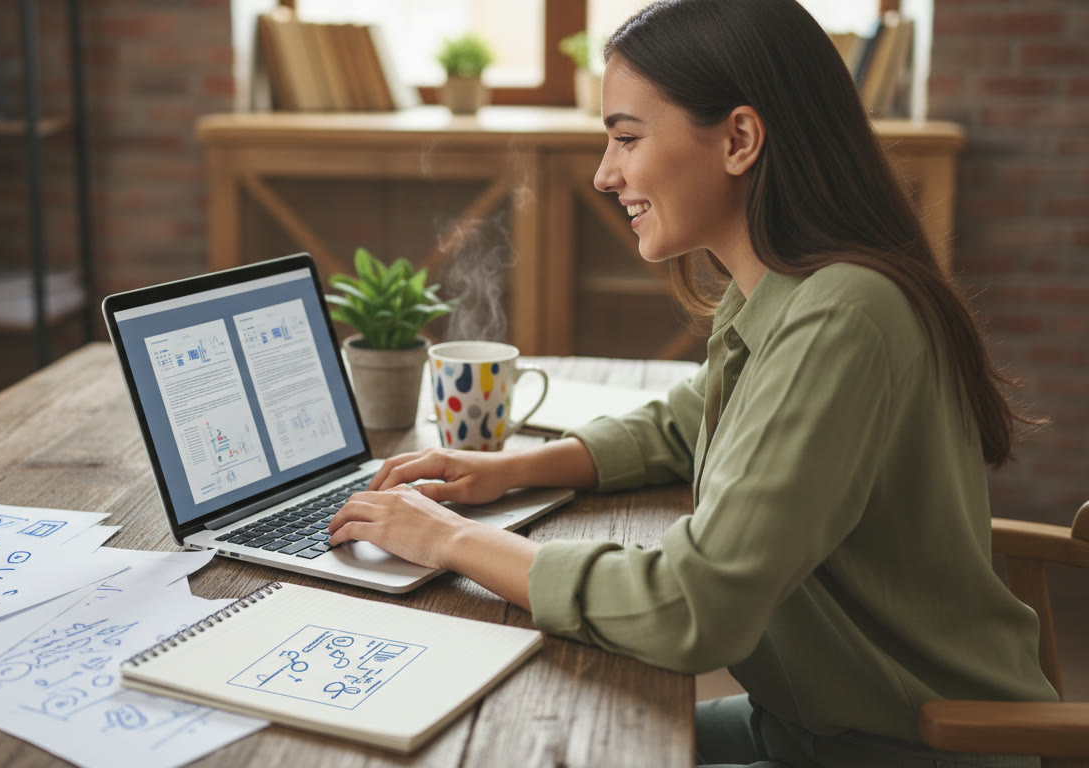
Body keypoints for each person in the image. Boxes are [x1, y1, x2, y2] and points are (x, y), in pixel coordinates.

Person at [327, 0, 1059, 766]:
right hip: (808, 725)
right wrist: (510, 470)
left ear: (740, 138)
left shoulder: (846, 314)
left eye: (626, 138)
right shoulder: (781, 288)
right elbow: (688, 419)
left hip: (913, 746)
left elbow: (692, 607)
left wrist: (446, 539)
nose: (607, 174)